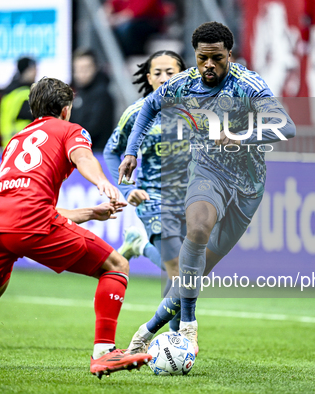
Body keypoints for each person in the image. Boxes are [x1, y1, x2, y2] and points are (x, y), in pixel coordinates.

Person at [0, 77, 151, 380]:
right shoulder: (70, 129)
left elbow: (24, 204)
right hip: (28, 222)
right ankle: (104, 353)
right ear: (66, 110)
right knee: (115, 265)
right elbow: (83, 157)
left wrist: (90, 212)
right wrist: (101, 181)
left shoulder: (16, 140)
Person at [118, 22, 296, 356]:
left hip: (248, 186)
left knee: (196, 270)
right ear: (195, 57)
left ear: (230, 55)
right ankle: (188, 326)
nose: (209, 65)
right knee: (197, 230)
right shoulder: (183, 84)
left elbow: (287, 126)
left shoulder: (248, 85)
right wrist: (130, 151)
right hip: (207, 171)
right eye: (202, 58)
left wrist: (242, 135)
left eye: (217, 58)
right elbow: (149, 107)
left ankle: (147, 331)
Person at [103, 50, 187, 332]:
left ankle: (139, 244)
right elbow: (112, 151)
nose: (164, 78)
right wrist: (128, 188)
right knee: (177, 266)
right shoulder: (137, 114)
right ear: (149, 78)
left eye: (171, 72)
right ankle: (178, 336)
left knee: (180, 270)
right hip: (151, 197)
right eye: (158, 73)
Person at [70, 48, 115, 152]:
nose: (82, 73)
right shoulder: (76, 93)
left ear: (95, 68)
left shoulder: (102, 95)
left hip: (97, 155)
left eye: (86, 68)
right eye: (78, 69)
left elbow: (93, 129)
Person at [0, 57, 37, 148]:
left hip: (10, 144)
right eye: (32, 69)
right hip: (22, 143)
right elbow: (33, 115)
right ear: (25, 71)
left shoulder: (10, 91)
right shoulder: (23, 94)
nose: (35, 73)